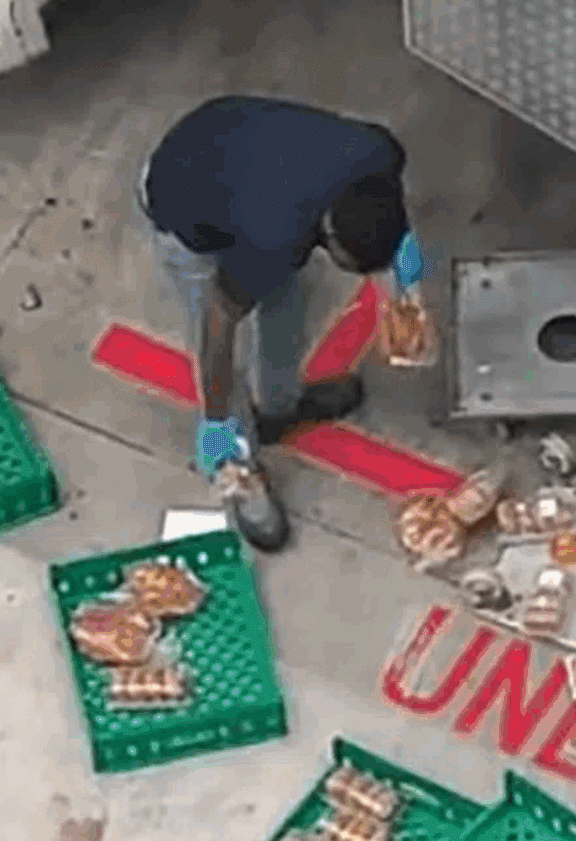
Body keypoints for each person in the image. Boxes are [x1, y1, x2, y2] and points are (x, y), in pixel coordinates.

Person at [141, 95, 428, 552]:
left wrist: (402, 259)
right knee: (220, 336)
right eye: (347, 263)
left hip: (237, 147)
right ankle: (238, 466)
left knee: (287, 306)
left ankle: (279, 407)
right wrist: (215, 420)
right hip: (183, 203)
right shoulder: (274, 233)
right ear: (327, 233)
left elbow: (385, 212)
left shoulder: (380, 154)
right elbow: (219, 330)